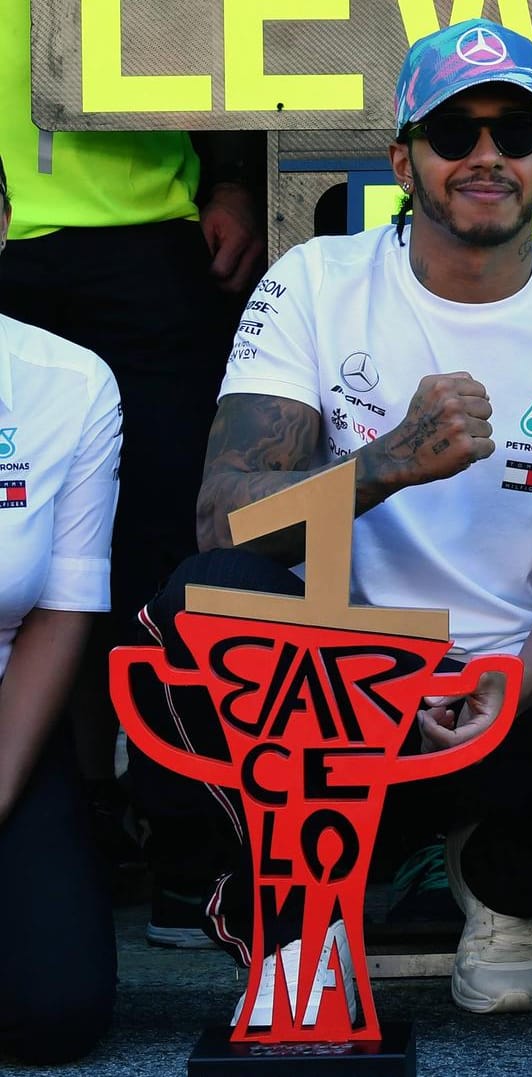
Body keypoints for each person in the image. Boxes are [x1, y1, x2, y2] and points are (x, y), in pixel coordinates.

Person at [131, 18, 532, 1015]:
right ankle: (309, 885)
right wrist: (385, 465)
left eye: (514, 132)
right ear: (404, 159)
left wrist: (504, 684)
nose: (486, 155)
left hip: (505, 676)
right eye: (454, 133)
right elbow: (221, 524)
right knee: (197, 610)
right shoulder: (313, 283)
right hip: (336, 672)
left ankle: (494, 883)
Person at [2, 0, 266, 932]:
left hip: (143, 229)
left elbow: (239, 27)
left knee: (160, 541)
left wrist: (235, 175)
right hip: (7, 237)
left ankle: (184, 831)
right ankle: (71, 813)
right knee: (20, 533)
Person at [0, 155, 122, 1063]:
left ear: (2, 219)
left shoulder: (69, 382)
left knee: (56, 1010)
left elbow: (60, 609)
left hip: (4, 711)